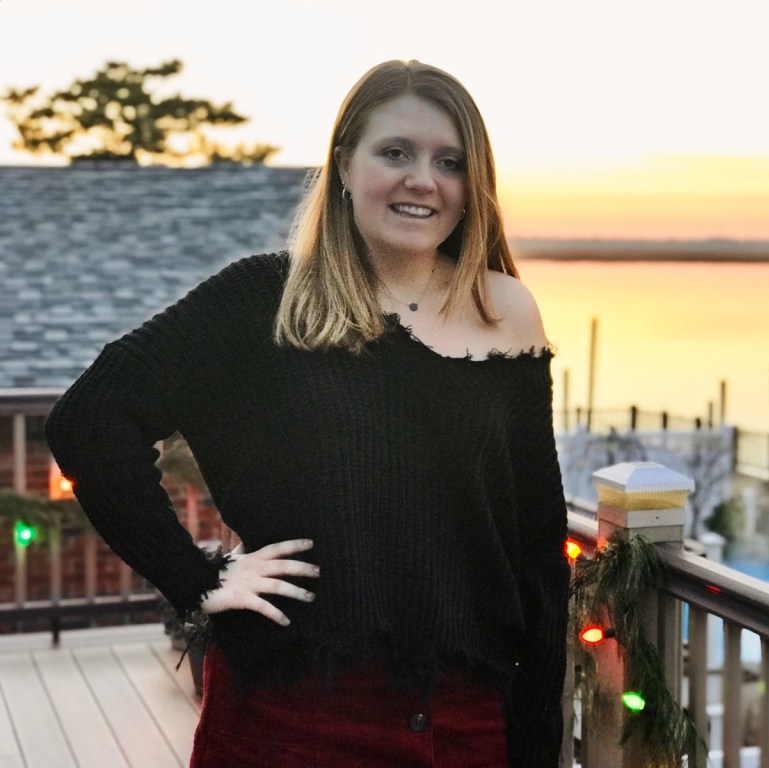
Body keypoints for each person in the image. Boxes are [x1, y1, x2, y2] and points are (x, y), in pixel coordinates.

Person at [46, 59, 569, 768]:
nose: (424, 179)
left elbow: (535, 550)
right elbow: (91, 419)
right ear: (344, 166)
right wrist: (198, 579)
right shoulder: (263, 300)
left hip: (464, 726)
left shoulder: (506, 311)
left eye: (449, 161)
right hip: (293, 721)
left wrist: (533, 744)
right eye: (395, 152)